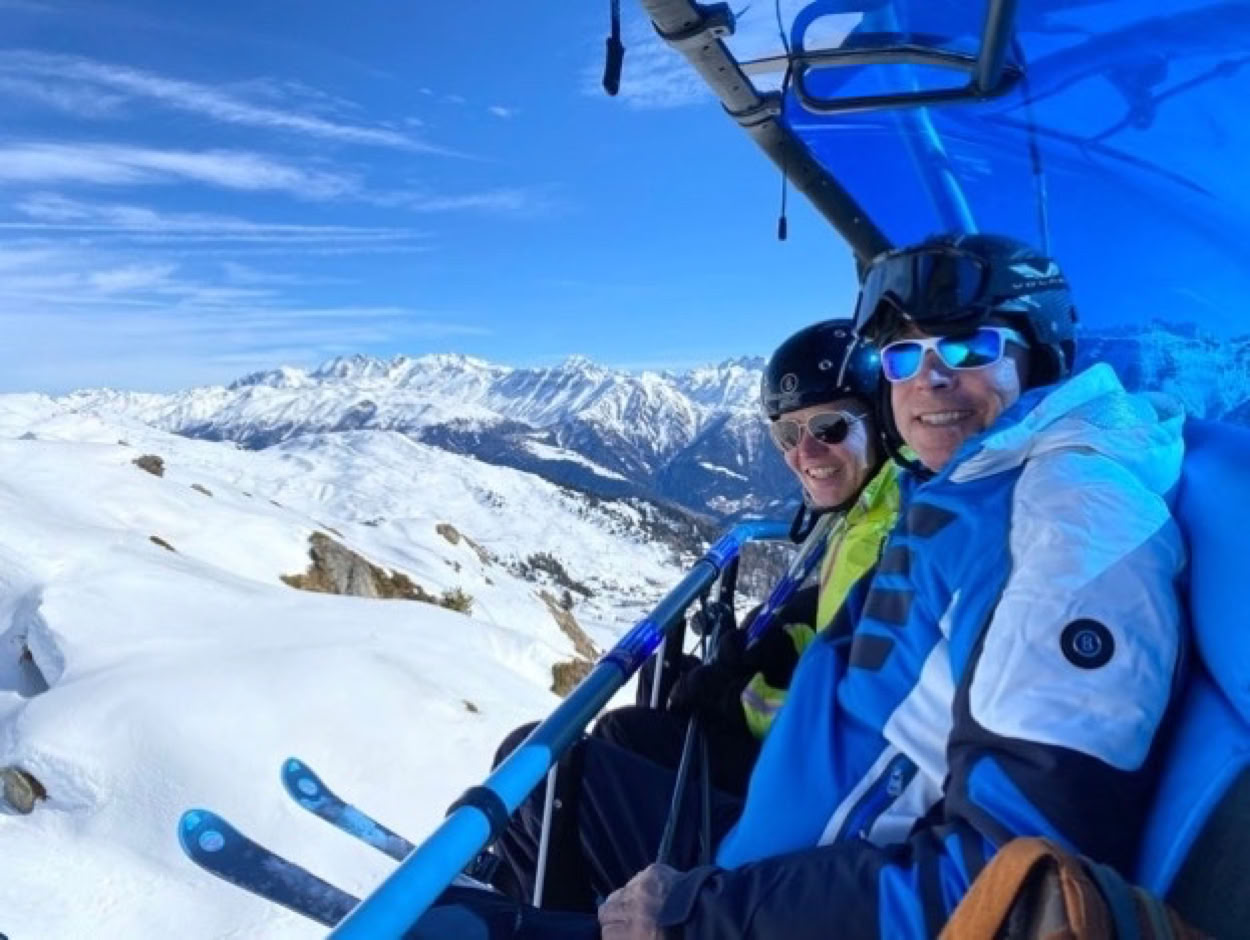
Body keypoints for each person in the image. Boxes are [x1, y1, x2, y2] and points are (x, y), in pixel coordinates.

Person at [596, 232, 1188, 939]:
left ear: (1041, 356)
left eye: (969, 348)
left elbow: (1010, 890)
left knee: (539, 818)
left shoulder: (1073, 531)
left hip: (771, 907)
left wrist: (701, 915)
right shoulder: (966, 487)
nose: (929, 380)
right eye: (904, 355)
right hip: (769, 882)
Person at [486, 319, 902, 908]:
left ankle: (560, 914)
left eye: (829, 427)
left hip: (812, 830)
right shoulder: (868, 514)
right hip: (803, 783)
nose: (804, 452)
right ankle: (559, 886)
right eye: (786, 433)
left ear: (882, 419)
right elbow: (844, 625)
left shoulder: (897, 532)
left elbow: (859, 725)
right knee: (623, 731)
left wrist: (738, 698)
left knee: (536, 766)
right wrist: (786, 632)